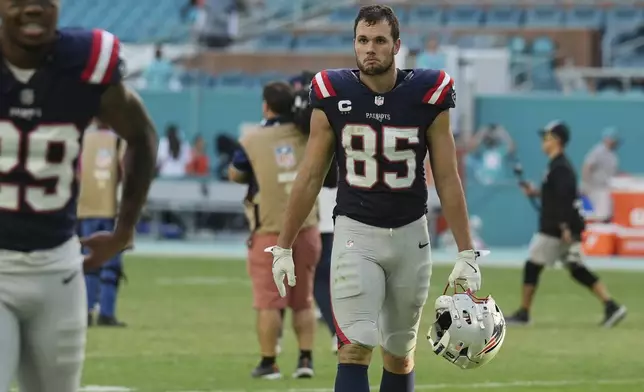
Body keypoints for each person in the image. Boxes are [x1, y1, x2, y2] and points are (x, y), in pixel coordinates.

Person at [266, 5, 486, 392]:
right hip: (356, 234)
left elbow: (448, 178)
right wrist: (283, 246)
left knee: (399, 353)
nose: (370, 49)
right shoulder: (333, 92)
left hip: (410, 236)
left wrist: (466, 252)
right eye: (363, 40)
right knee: (354, 346)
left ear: (396, 46)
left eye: (379, 41)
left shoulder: (428, 93)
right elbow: (311, 175)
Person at [0, 1, 158, 390]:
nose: (31, 8)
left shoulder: (85, 62)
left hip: (58, 267)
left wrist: (124, 229)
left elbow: (141, 136)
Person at [228, 81, 321, 380]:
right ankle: (305, 360)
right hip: (306, 227)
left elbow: (236, 174)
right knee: (303, 300)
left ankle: (269, 362)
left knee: (269, 301)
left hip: (269, 229)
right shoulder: (306, 135)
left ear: (266, 105)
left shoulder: (252, 139)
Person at [506, 122, 627, 328]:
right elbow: (557, 195)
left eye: (547, 138)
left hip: (556, 228)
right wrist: (535, 192)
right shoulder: (558, 166)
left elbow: (564, 198)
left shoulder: (560, 167)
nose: (543, 142)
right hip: (564, 227)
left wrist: (564, 228)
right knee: (576, 268)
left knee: (532, 266)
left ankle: (524, 313)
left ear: (556, 140)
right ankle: (611, 306)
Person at [78, 119, 128, 328]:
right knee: (111, 264)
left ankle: (86, 311)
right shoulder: (118, 141)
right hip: (109, 208)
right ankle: (106, 312)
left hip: (85, 208)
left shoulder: (80, 137)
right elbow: (125, 172)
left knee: (88, 263)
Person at [581, 127, 620, 222]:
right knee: (600, 216)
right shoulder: (598, 151)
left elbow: (611, 172)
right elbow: (587, 166)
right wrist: (585, 185)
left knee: (607, 214)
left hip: (607, 189)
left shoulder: (612, 155)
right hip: (596, 189)